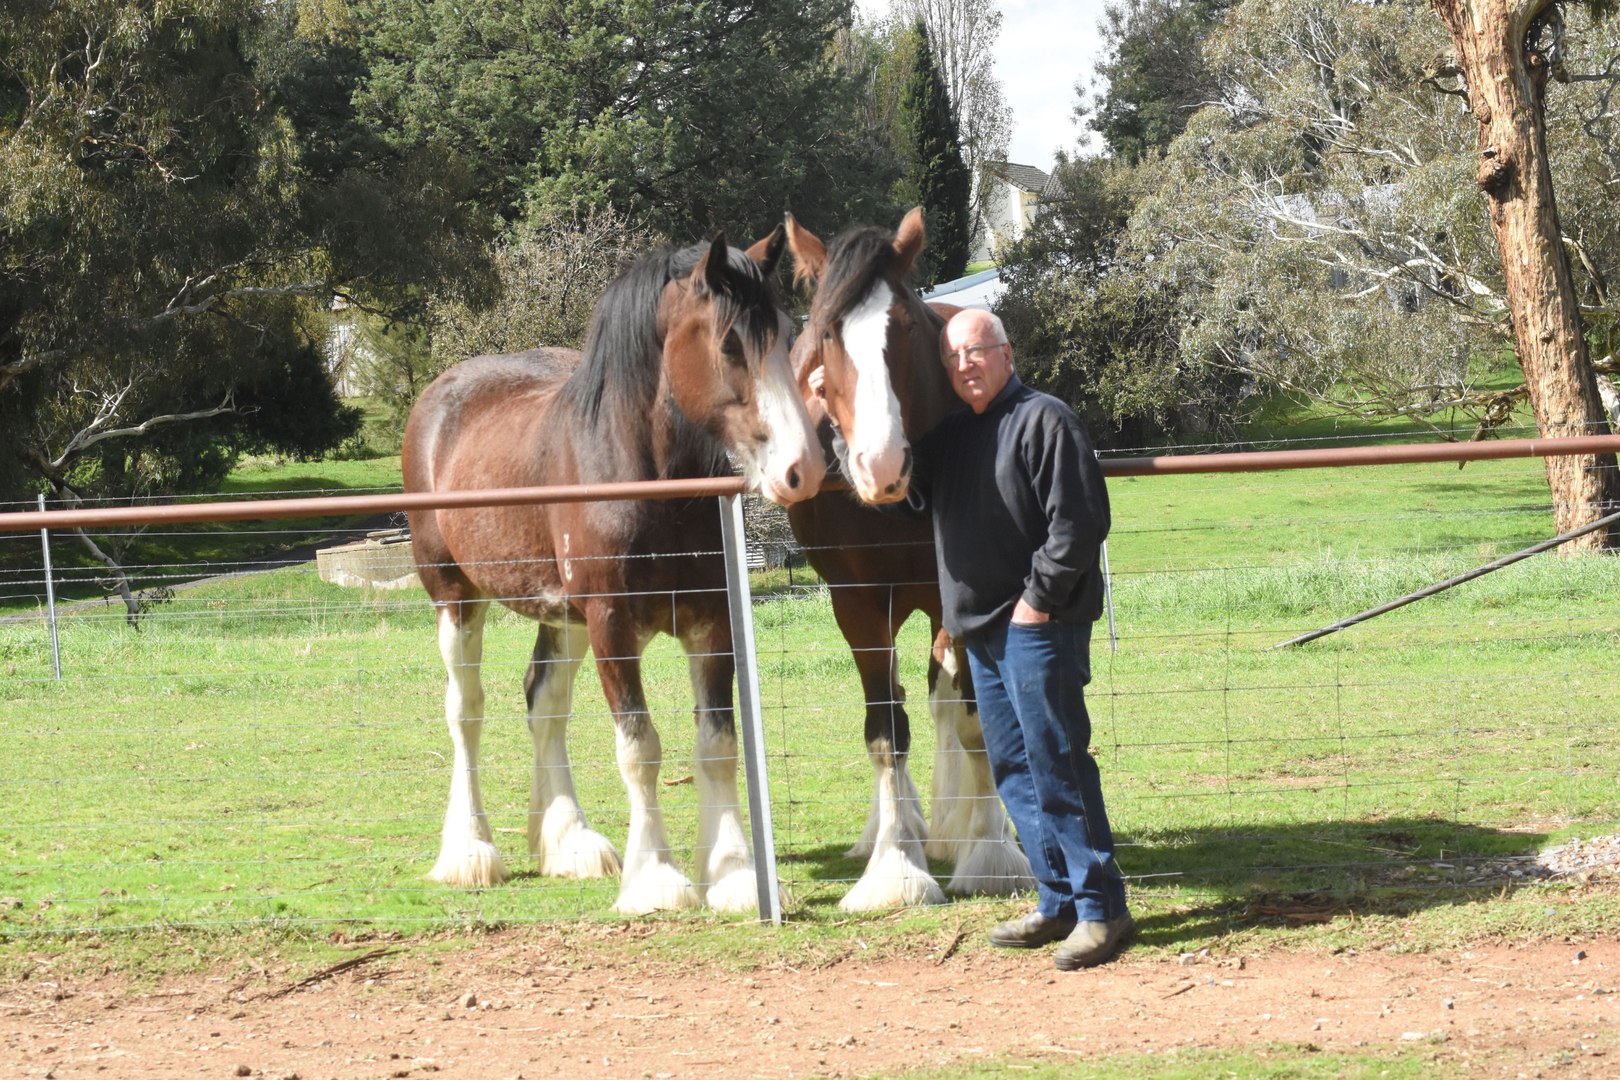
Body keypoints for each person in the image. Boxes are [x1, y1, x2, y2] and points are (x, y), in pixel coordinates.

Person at [910, 308, 1132, 970]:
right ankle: (1058, 898)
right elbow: (899, 487)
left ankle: (1103, 911)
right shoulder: (952, 437)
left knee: (1058, 762)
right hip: (979, 636)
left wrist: (1038, 601)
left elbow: (1081, 520)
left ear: (1006, 353)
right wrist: (835, 424)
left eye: (975, 352)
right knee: (1012, 770)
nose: (964, 367)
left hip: (1039, 627)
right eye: (953, 360)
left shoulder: (1046, 420)